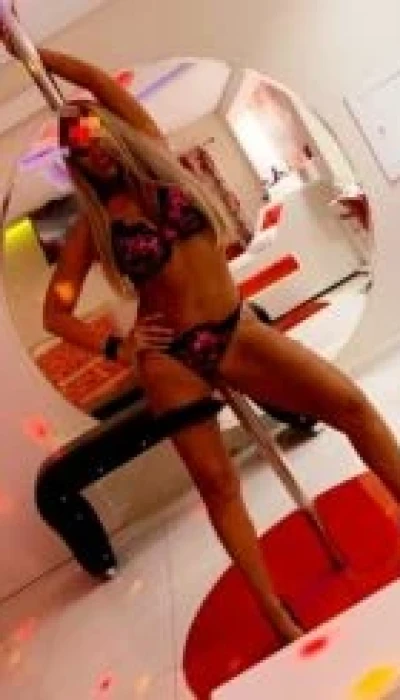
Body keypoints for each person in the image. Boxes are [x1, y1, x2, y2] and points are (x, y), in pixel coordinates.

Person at [3, 32, 400, 645]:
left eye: (96, 136)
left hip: (235, 330)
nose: (93, 152)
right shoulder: (92, 227)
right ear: (75, 167)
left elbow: (101, 85)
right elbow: (57, 312)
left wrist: (34, 54)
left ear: (112, 132)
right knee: (219, 488)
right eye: (79, 151)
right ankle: (275, 614)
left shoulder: (156, 157)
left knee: (350, 405)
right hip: (172, 362)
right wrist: (119, 348)